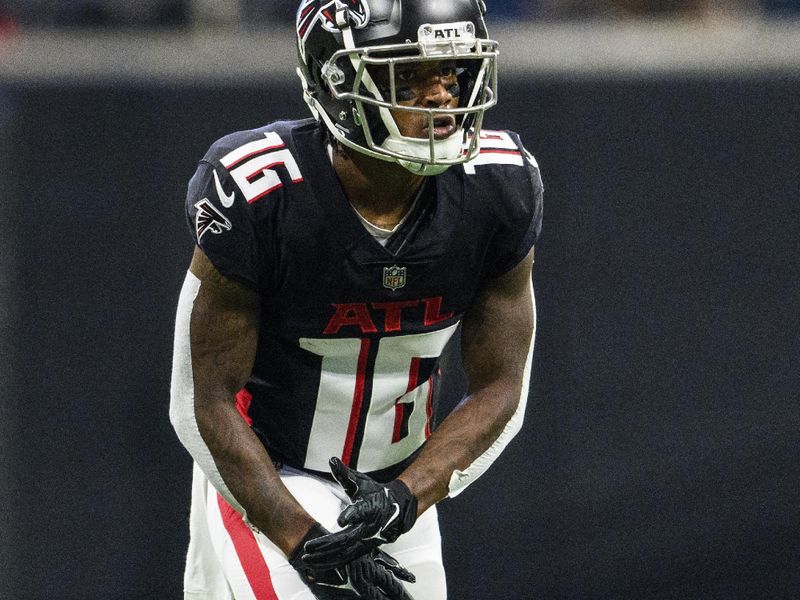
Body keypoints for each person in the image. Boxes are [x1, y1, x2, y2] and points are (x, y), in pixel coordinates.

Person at [170, 0, 543, 598]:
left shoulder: (500, 189)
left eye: (451, 73)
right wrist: (300, 538)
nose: (444, 97)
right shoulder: (260, 193)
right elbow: (201, 402)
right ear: (338, 81)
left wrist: (408, 495)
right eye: (412, 76)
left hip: (391, 489)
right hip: (267, 478)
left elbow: (503, 386)